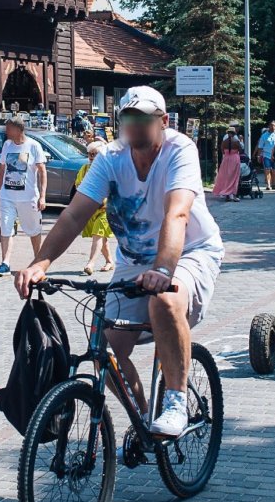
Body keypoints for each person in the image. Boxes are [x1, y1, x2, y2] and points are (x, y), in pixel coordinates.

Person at [14, 86, 224, 438]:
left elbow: (178, 214)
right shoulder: (110, 158)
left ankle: (175, 399)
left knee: (164, 301)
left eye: (144, 118)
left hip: (188, 251)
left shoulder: (179, 151)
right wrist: (41, 263)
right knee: (104, 344)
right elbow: (74, 216)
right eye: (128, 117)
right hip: (133, 258)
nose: (135, 125)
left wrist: (161, 270)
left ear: (163, 121)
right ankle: (143, 418)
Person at [0, 115, 48, 277]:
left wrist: (42, 196)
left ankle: (38, 260)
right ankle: (5, 263)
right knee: (5, 227)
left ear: (18, 129)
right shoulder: (7, 145)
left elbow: (42, 172)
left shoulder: (33, 146)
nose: (6, 132)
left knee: (33, 230)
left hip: (28, 197)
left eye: (9, 129)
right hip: (7, 196)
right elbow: (2, 169)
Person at [76, 138, 115, 274]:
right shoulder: (84, 168)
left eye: (95, 154)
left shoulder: (109, 169)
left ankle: (90, 264)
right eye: (90, 154)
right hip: (91, 210)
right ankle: (110, 261)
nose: (92, 157)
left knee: (97, 235)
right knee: (101, 239)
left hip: (106, 210)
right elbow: (78, 185)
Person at [213, 127, 243, 202]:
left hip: (226, 159)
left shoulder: (224, 142)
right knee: (234, 177)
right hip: (235, 159)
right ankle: (233, 194)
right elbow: (241, 150)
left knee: (226, 176)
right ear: (234, 134)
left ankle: (227, 194)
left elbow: (222, 151)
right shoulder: (236, 141)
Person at [257, 121, 275, 192]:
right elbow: (260, 146)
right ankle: (268, 185)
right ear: (269, 126)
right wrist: (259, 155)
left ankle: (273, 184)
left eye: (273, 125)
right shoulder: (264, 135)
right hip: (266, 155)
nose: (272, 127)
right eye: (271, 125)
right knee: (267, 170)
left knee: (274, 171)